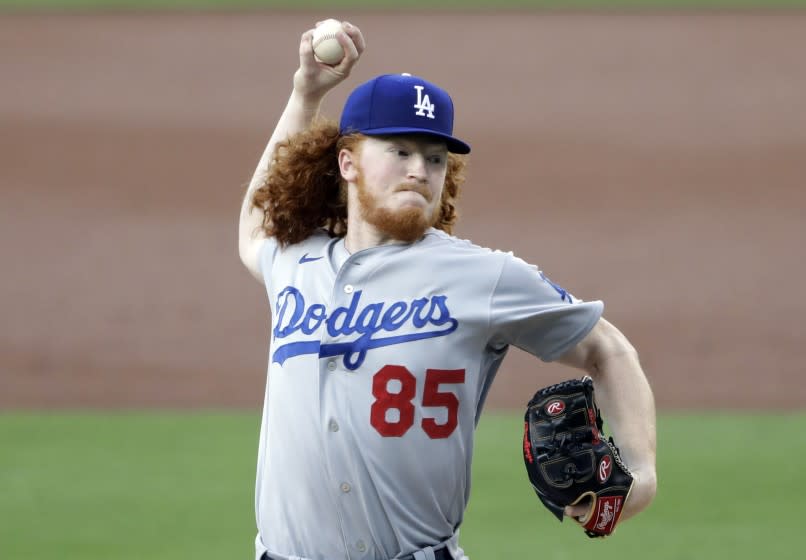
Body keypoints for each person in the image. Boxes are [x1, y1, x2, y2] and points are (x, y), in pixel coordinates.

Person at [238, 20, 657, 560]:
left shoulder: (483, 277)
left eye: (435, 158)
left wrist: (641, 474)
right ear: (348, 162)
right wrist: (306, 93)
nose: (419, 170)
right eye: (400, 151)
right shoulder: (297, 262)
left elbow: (607, 347)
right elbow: (257, 222)